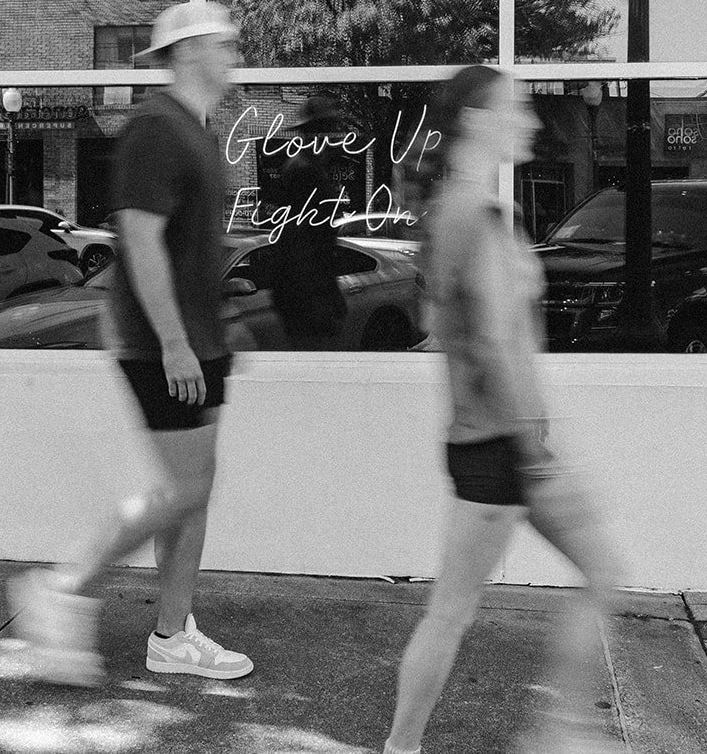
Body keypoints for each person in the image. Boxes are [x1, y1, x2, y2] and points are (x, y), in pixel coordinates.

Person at [7, 0, 254, 687]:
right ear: (187, 52)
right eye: (221, 44)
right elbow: (139, 239)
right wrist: (175, 342)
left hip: (200, 335)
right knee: (183, 487)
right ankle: (63, 586)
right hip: (158, 340)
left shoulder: (198, 129)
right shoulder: (155, 128)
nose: (232, 54)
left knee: (194, 490)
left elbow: (188, 243)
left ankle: (174, 633)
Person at [383, 66, 624, 754]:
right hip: (502, 445)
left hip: (493, 440)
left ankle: (560, 729)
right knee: (454, 610)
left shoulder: (454, 211)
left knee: (591, 573)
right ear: (478, 120)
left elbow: (449, 326)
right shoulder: (475, 214)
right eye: (517, 108)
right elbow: (490, 338)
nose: (531, 121)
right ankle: (427, 743)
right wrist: (533, 450)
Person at [263, 92, 351, 349]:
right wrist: (323, 299)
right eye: (324, 131)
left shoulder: (307, 169)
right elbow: (302, 245)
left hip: (306, 295)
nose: (330, 139)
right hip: (306, 298)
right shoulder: (304, 172)